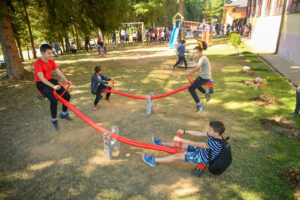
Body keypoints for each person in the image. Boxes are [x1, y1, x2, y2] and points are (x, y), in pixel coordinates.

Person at [142, 121, 225, 167]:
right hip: (203, 150)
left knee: (177, 156)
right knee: (183, 146)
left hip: (203, 157)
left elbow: (197, 144)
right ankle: (160, 143)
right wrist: (185, 131)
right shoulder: (214, 135)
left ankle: (153, 161)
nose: (208, 131)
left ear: (217, 133)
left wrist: (180, 139)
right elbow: (199, 133)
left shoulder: (215, 143)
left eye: (210, 130)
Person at [34, 44, 72, 131]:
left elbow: (58, 71)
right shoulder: (37, 63)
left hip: (51, 80)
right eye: (49, 53)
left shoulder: (51, 61)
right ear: (42, 53)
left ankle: (64, 114)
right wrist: (53, 86)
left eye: (51, 53)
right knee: (54, 100)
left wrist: (66, 80)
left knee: (67, 96)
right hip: (41, 83)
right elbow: (42, 78)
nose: (51, 55)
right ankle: (54, 120)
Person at [186, 45, 211, 113]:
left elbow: (197, 68)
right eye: (194, 53)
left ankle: (200, 104)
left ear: (201, 52)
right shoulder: (203, 58)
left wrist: (190, 72)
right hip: (205, 76)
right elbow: (197, 67)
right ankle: (206, 94)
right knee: (195, 84)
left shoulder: (202, 58)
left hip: (204, 77)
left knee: (191, 89)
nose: (195, 54)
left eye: (196, 53)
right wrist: (190, 71)